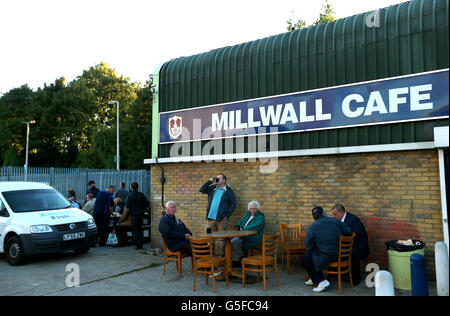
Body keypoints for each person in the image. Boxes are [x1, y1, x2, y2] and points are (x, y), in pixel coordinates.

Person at [301, 206, 353, 293]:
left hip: (326, 256)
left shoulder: (312, 227)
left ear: (314, 217)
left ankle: (321, 281)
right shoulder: (335, 221)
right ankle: (314, 278)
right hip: (341, 254)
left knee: (305, 258)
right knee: (312, 256)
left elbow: (308, 246)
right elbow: (349, 232)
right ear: (323, 213)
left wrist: (312, 252)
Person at [331, 204, 369, 285]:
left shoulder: (353, 219)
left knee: (348, 254)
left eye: (335, 214)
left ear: (341, 213)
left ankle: (354, 279)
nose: (334, 217)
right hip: (348, 245)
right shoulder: (340, 220)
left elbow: (354, 234)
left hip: (359, 246)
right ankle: (336, 274)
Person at [199, 174, 236, 256]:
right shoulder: (212, 188)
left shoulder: (229, 191)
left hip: (222, 220)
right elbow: (201, 189)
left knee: (220, 239)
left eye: (219, 178)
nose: (217, 180)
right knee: (209, 236)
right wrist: (209, 181)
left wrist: (227, 216)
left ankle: (219, 257)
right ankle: (209, 255)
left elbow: (233, 204)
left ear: (224, 180)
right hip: (210, 219)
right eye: (217, 178)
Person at [231, 200, 265, 266]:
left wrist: (243, 229)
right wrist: (238, 227)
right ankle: (236, 260)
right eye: (251, 209)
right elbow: (239, 222)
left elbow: (255, 226)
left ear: (257, 209)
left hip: (253, 237)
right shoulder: (247, 216)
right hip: (243, 235)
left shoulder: (260, 217)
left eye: (254, 208)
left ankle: (242, 258)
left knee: (237, 243)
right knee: (231, 242)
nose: (252, 210)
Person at [124, 182, 150, 252]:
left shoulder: (129, 196)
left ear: (131, 188)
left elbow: (127, 206)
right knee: (140, 230)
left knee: (135, 231)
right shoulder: (141, 195)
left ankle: (138, 246)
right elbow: (147, 203)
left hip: (133, 215)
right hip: (141, 215)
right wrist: (144, 210)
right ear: (138, 187)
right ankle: (140, 245)